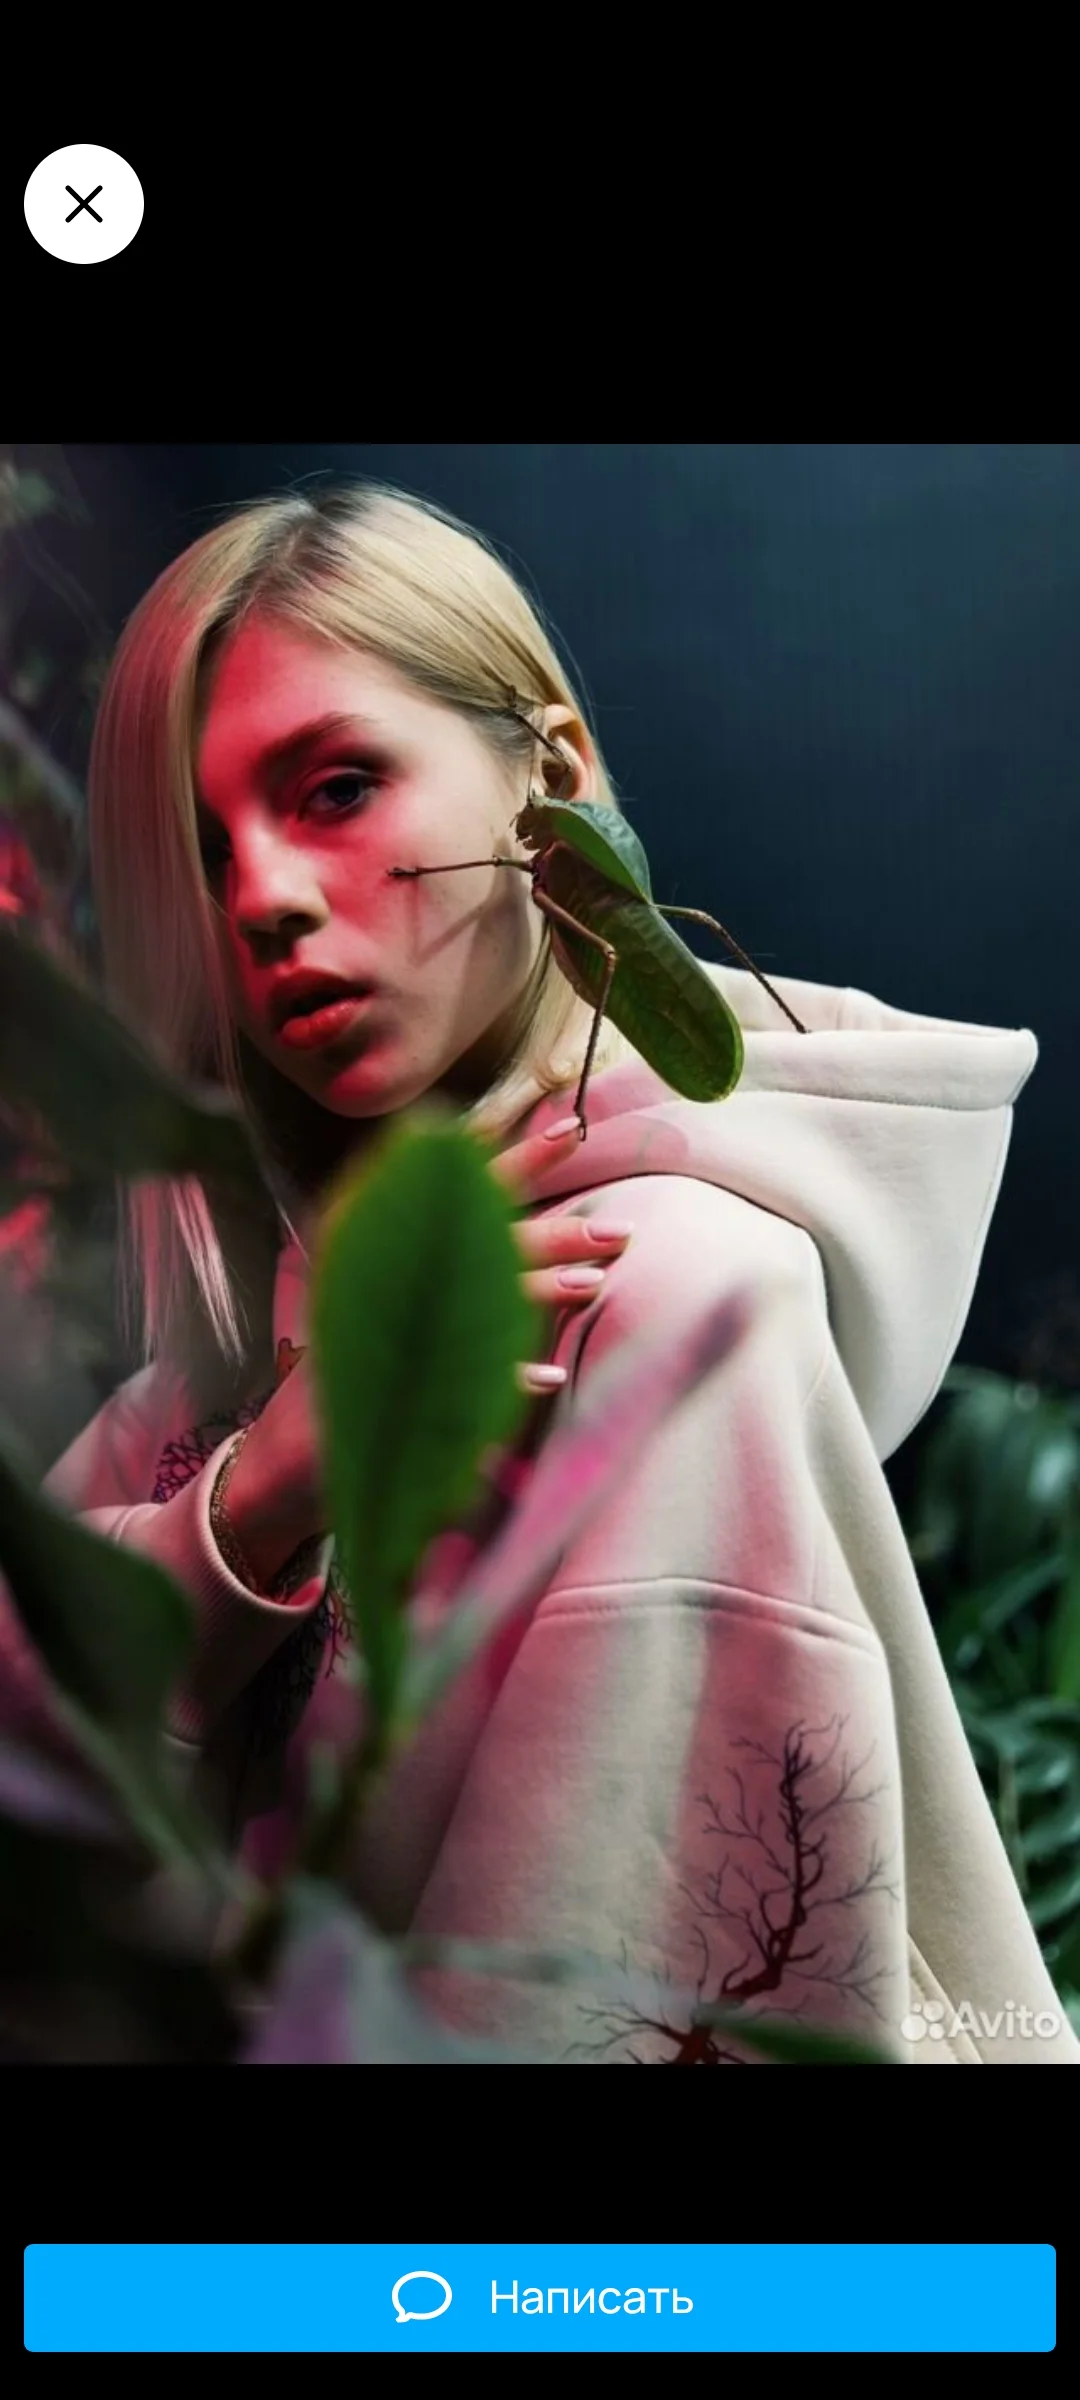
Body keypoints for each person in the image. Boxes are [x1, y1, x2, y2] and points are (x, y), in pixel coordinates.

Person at [26, 479, 1079, 2064]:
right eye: (201, 852)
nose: (261, 901)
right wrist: (268, 1488)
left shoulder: (665, 1291)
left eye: (338, 787)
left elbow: (592, 1994)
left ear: (554, 782)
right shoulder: (226, 1367)